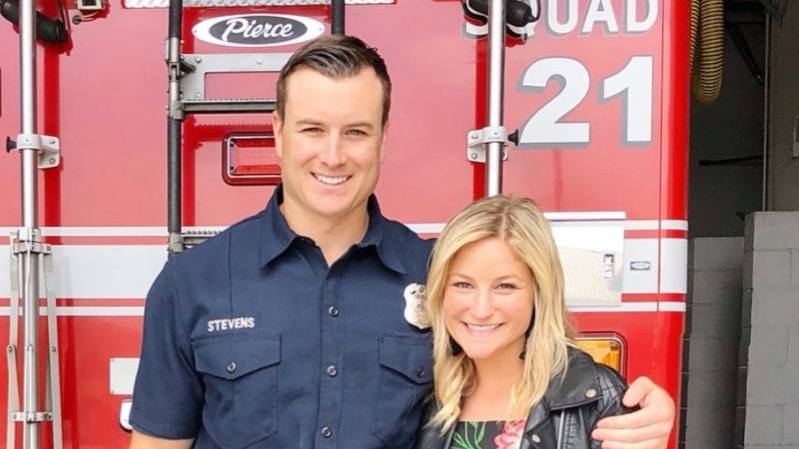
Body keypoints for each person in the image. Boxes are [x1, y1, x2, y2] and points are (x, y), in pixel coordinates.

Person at [128, 35, 674, 449]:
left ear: (384, 139)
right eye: (312, 129)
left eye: (356, 132)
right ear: (277, 133)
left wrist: (633, 405)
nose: (334, 155)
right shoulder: (191, 282)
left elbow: (530, 362)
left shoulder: (439, 277)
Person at [414, 195, 634, 449]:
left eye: (505, 286)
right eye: (463, 284)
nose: (481, 309)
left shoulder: (594, 394)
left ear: (538, 293)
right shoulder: (419, 390)